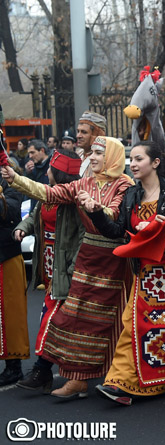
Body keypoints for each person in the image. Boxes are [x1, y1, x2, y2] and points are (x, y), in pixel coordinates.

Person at [1, 136, 133, 399]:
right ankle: (77, 379)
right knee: (75, 321)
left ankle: (121, 376)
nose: (92, 157)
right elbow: (47, 193)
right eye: (92, 153)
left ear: (113, 157)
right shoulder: (82, 183)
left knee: (118, 320)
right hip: (87, 256)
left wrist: (97, 208)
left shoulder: (125, 185)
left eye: (98, 153)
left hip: (115, 259)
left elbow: (116, 216)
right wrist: (15, 178)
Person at [83, 140, 165, 405]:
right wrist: (96, 213)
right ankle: (121, 383)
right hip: (145, 273)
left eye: (139, 159)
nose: (133, 164)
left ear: (155, 163)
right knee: (133, 326)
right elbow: (117, 231)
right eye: (132, 160)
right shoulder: (131, 195)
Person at [15, 149, 85, 393]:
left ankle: (42, 370)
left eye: (51, 170)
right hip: (48, 264)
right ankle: (59, 371)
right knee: (56, 319)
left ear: (59, 173)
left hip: (64, 268)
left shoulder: (74, 201)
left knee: (51, 320)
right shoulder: (49, 195)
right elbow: (35, 216)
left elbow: (82, 237)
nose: (46, 172)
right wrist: (24, 228)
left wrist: (74, 267)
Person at [0, 176, 29, 386]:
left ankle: (13, 366)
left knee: (11, 313)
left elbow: (10, 212)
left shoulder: (9, 182)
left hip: (5, 255)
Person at [77, 111, 107, 177]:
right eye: (78, 131)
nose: (78, 136)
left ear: (96, 134)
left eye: (84, 132)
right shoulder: (77, 155)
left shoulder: (105, 158)